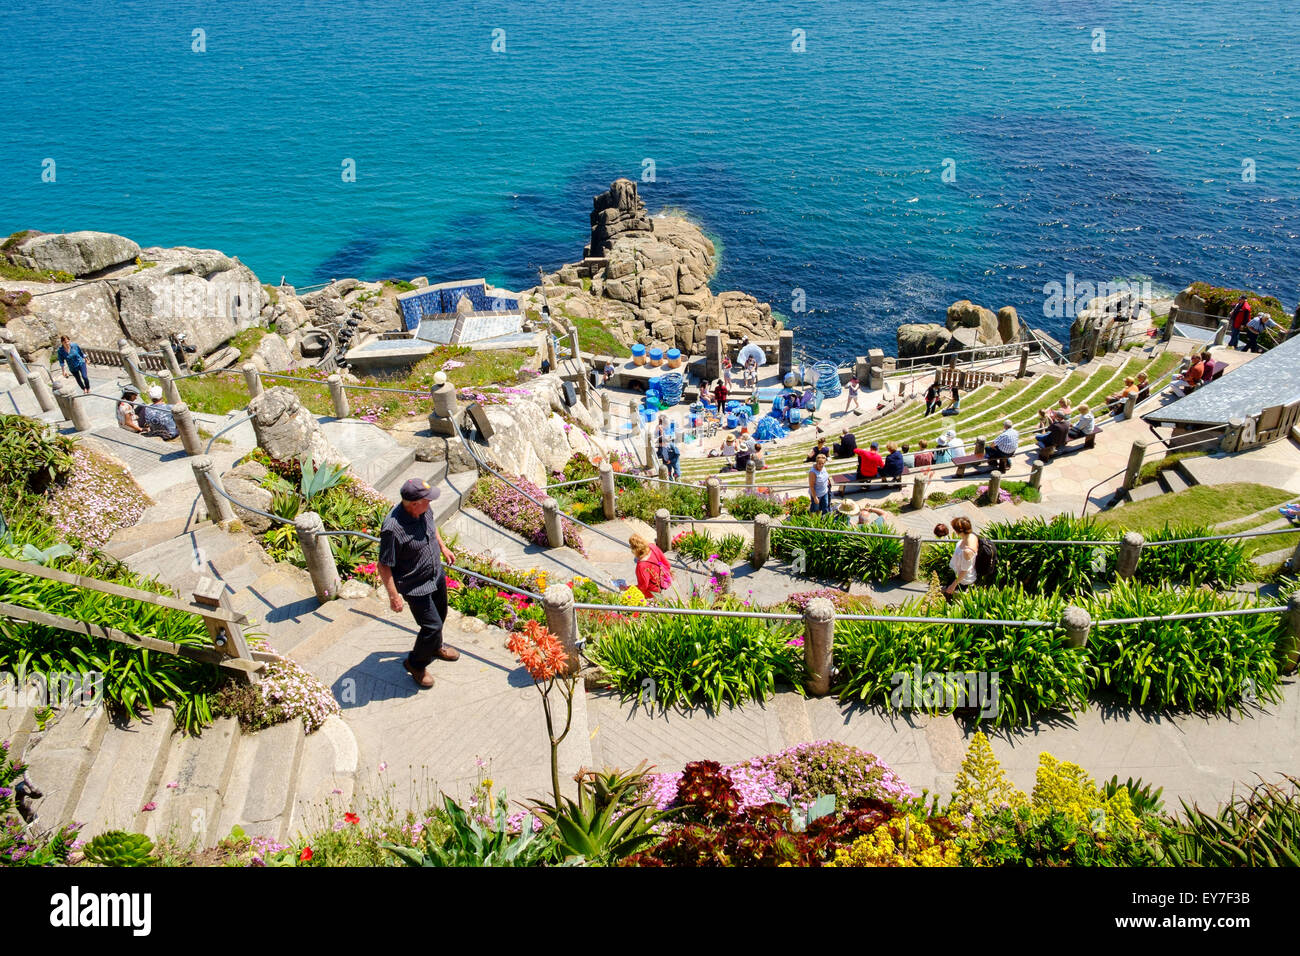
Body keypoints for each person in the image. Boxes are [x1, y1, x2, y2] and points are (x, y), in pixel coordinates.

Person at [379, 479, 460, 689]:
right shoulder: (393, 528)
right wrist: (394, 596)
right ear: (414, 503)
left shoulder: (424, 510)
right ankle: (415, 663)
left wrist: (443, 548)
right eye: (428, 499)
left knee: (441, 614)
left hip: (435, 574)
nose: (431, 502)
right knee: (431, 626)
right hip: (415, 586)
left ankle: (435, 647)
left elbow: (432, 529)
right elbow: (384, 565)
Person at [944, 515, 979, 598]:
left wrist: (953, 586)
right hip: (958, 575)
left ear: (959, 531)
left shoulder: (967, 551)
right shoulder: (971, 536)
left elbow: (964, 570)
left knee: (950, 599)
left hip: (963, 581)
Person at [630, 533, 673, 599]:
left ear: (634, 550)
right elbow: (667, 564)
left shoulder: (641, 565)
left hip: (652, 592)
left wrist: (627, 588)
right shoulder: (652, 547)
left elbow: (643, 587)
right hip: (662, 581)